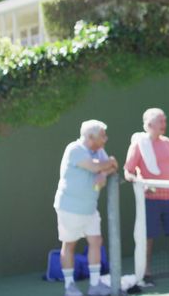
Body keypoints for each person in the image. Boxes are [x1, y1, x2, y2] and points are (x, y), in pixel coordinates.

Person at [123, 108, 169, 285]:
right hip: (150, 201)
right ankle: (146, 274)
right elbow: (128, 172)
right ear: (149, 124)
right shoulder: (138, 145)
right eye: (161, 121)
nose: (164, 125)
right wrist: (142, 183)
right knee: (148, 238)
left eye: (165, 121)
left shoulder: (168, 143)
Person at [53, 120, 118, 296]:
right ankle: (69, 287)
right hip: (70, 208)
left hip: (90, 209)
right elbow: (98, 165)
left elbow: (113, 166)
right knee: (69, 245)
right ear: (90, 137)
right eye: (102, 135)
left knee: (96, 242)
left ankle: (95, 285)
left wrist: (104, 172)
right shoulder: (74, 149)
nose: (106, 139)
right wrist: (106, 165)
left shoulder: (99, 151)